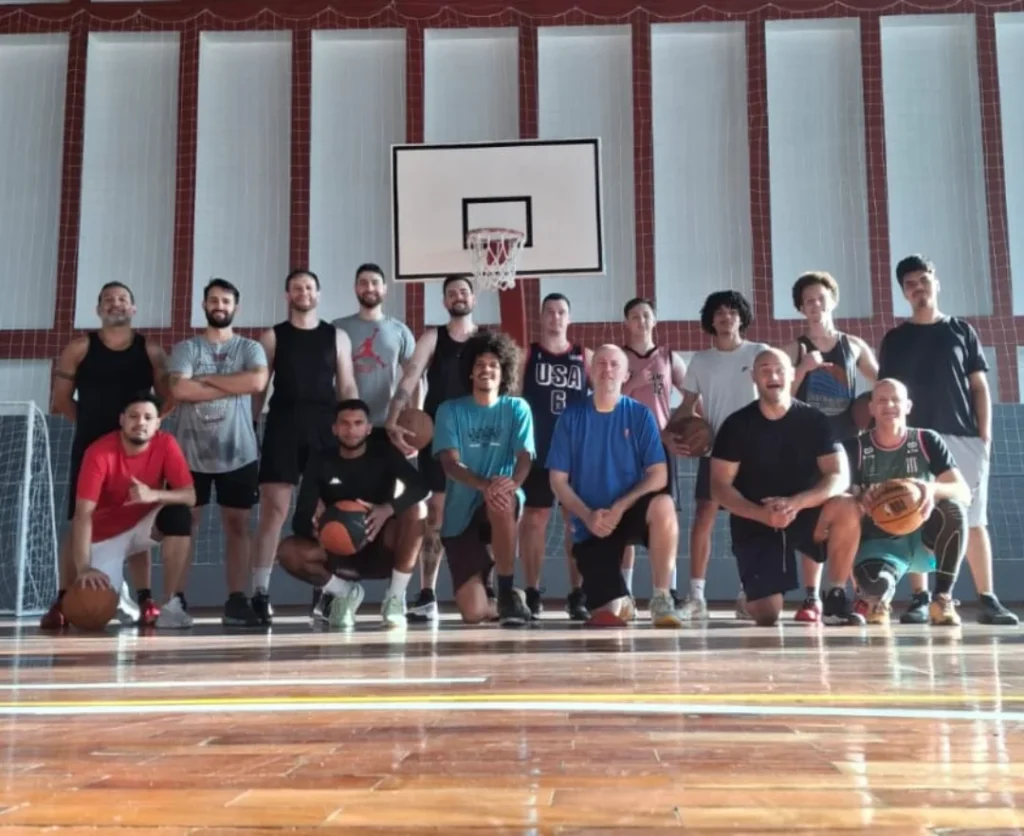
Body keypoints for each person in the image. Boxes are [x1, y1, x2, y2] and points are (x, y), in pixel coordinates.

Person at [878, 255, 1017, 626]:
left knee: (973, 519)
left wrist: (985, 435)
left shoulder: (961, 331)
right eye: (909, 284)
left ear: (935, 282)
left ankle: (987, 598)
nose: (917, 288)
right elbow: (888, 392)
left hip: (963, 438)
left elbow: (979, 386)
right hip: (916, 441)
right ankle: (921, 598)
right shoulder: (895, 339)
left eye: (923, 279)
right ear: (903, 292)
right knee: (912, 516)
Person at [42, 281, 174, 629]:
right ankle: (63, 599)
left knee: (136, 514)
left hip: (137, 451)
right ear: (98, 309)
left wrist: (147, 429)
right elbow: (60, 400)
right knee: (79, 518)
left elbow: (169, 397)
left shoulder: (151, 351)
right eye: (108, 300)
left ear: (133, 309)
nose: (116, 304)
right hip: (90, 447)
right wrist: (91, 426)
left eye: (123, 300)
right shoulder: (80, 348)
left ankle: (145, 597)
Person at [709, 348, 864, 626]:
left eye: (779, 369)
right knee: (768, 614)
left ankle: (835, 596)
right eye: (765, 370)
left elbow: (839, 475)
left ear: (792, 375)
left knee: (847, 505)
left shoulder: (815, 420)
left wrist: (797, 503)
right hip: (756, 518)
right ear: (754, 378)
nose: (773, 375)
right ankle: (751, 596)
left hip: (803, 513)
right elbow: (719, 487)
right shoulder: (736, 425)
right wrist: (762, 514)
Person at [249, 269, 358, 625]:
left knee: (328, 515)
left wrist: (353, 430)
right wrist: (252, 425)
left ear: (319, 294)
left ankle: (326, 594)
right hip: (283, 426)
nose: (303, 292)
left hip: (325, 430)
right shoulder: (272, 337)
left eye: (309, 287)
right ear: (287, 295)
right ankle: (259, 594)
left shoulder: (337, 337)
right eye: (297, 288)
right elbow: (260, 390)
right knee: (273, 512)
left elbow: (347, 386)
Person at [548, 345, 683, 628]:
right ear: (590, 371)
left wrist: (621, 507)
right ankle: (621, 600)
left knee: (664, 504)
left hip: (629, 512)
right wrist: (587, 516)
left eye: (614, 364)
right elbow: (557, 481)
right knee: (607, 616)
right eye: (600, 363)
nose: (607, 369)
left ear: (625, 375)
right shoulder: (571, 417)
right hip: (592, 520)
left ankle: (661, 597)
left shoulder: (640, 415)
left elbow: (658, 475)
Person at [167, 278, 268, 627]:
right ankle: (176, 599)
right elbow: (178, 388)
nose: (219, 305)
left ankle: (236, 600)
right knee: (186, 524)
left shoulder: (250, 348)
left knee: (237, 525)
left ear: (235, 307)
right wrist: (229, 384)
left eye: (226, 300)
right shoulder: (186, 349)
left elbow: (255, 383)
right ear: (204, 305)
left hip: (238, 451)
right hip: (189, 452)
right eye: (214, 300)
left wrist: (205, 382)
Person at [276, 399, 429, 628]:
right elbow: (300, 520)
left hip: (379, 546)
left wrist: (386, 509)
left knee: (418, 510)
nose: (351, 430)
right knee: (288, 551)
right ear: (334, 428)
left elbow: (420, 486)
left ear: (368, 428)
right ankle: (344, 592)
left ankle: (395, 598)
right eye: (345, 424)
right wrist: (317, 526)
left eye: (358, 423)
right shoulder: (320, 460)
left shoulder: (384, 453)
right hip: (339, 549)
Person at [663, 290, 769, 621]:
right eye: (719, 312)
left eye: (732, 311)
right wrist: (667, 432)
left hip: (754, 450)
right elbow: (687, 406)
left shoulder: (759, 353)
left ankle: (748, 594)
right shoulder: (701, 361)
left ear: (742, 318)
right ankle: (697, 597)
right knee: (704, 517)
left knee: (751, 518)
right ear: (711, 320)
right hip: (716, 449)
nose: (726, 317)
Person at [783, 271, 878, 623]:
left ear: (832, 301)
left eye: (820, 298)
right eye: (808, 301)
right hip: (806, 445)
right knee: (812, 516)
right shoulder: (793, 350)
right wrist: (802, 371)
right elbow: (779, 397)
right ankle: (811, 597)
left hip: (848, 443)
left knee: (852, 510)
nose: (815, 305)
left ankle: (844, 593)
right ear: (800, 308)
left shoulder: (854, 346)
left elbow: (882, 384)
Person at [385, 276, 479, 623]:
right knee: (436, 517)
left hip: (479, 437)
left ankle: (488, 586)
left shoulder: (486, 340)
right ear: (444, 301)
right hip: (439, 438)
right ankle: (428, 593)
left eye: (464, 291)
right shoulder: (432, 337)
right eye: (452, 292)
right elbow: (409, 377)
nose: (458, 296)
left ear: (473, 298)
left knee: (480, 514)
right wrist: (394, 416)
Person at [845, 379, 970, 626]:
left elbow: (964, 491)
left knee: (953, 509)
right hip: (880, 542)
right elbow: (838, 504)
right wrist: (858, 497)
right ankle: (877, 599)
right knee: (874, 588)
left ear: (908, 406)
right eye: (881, 400)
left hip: (924, 539)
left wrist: (931, 488)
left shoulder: (927, 440)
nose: (889, 405)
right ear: (871, 408)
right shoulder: (855, 448)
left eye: (896, 399)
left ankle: (942, 597)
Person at [432, 331, 534, 626]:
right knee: (474, 614)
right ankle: (496, 597)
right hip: (460, 513)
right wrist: (483, 484)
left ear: (504, 372)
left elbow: (525, 457)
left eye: (493, 364)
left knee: (501, 499)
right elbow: (450, 464)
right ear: (469, 371)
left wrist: (512, 483)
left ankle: (504, 589)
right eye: (479, 364)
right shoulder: (449, 411)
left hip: (501, 499)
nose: (486, 369)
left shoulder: (517, 408)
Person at [71, 393, 196, 629]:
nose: (141, 422)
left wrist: (154, 495)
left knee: (179, 514)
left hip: (143, 527)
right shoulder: (99, 453)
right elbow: (83, 514)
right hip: (105, 536)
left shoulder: (166, 444)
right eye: (134, 416)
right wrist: (84, 568)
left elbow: (190, 496)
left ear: (157, 423)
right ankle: (121, 596)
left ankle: (171, 604)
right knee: (96, 608)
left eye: (148, 417)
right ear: (122, 419)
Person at [518, 292, 591, 621]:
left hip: (575, 451)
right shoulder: (528, 354)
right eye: (550, 311)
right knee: (534, 520)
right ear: (542, 317)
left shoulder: (584, 356)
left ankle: (578, 593)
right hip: (538, 449)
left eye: (562, 312)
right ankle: (532, 592)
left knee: (575, 522)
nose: (556, 317)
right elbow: (514, 399)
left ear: (569, 318)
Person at [620, 297, 687, 604]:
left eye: (646, 315)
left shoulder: (669, 357)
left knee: (666, 514)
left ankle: (668, 589)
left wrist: (684, 428)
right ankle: (625, 591)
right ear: (626, 323)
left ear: (654, 321)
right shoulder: (617, 357)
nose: (641, 320)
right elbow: (608, 397)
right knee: (624, 514)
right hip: (624, 443)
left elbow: (692, 397)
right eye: (635, 316)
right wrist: (635, 380)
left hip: (661, 445)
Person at [333, 263, 416, 428]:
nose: (369, 288)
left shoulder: (399, 330)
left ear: (384, 289)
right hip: (347, 426)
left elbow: (415, 377)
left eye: (375, 282)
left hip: (386, 424)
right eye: (363, 283)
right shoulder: (336, 328)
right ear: (356, 288)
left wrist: (415, 413)